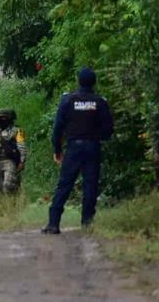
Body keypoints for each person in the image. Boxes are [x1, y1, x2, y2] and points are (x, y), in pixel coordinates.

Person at [41, 67, 114, 234]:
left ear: (78, 81)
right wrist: (95, 136)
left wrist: (57, 149)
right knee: (90, 185)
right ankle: (87, 223)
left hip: (73, 147)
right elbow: (109, 129)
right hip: (92, 147)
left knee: (65, 184)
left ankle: (53, 223)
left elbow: (58, 128)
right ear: (94, 82)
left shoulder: (68, 100)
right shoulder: (100, 102)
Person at [0, 109, 27, 193]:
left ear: (10, 119)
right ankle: (2, 203)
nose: (1, 120)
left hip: (10, 161)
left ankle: (13, 202)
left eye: (3, 118)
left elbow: (22, 146)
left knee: (9, 185)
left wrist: (22, 161)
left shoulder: (17, 131)